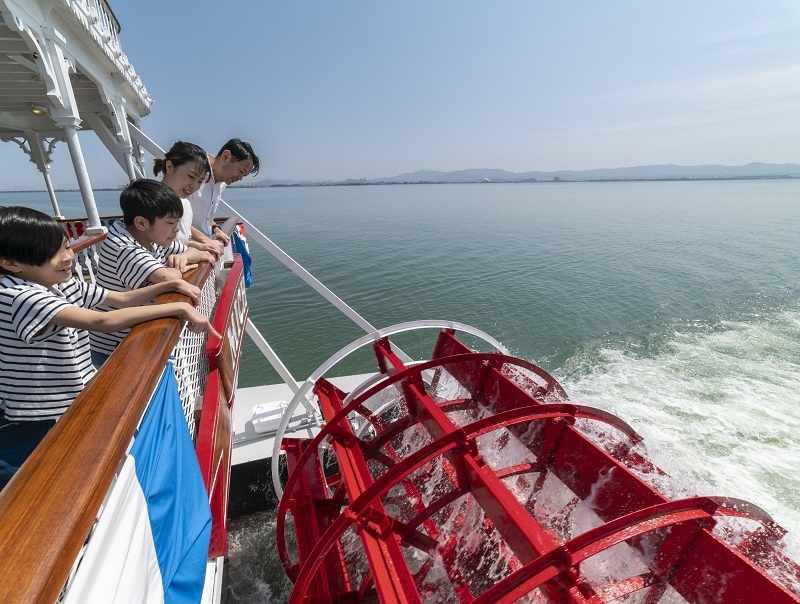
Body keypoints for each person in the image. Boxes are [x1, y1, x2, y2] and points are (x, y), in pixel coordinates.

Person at [0, 206, 220, 489]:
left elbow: (122, 299)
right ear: (11, 263)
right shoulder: (19, 295)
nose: (67, 257)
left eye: (66, 246)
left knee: (59, 477)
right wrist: (177, 307)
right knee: (25, 490)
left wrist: (169, 286)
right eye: (51, 253)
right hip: (30, 420)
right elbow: (102, 321)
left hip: (64, 406)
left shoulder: (58, 285)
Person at [90, 179, 216, 365]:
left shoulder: (148, 237)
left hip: (134, 333)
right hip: (116, 344)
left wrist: (183, 257)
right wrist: (176, 268)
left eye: (178, 222)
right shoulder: (125, 247)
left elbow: (195, 252)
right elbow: (167, 277)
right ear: (141, 223)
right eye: (171, 222)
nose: (177, 229)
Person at [153, 141, 224, 259]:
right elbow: (154, 247)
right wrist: (191, 254)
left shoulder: (185, 203)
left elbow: (180, 241)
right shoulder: (151, 203)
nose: (194, 186)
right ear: (169, 167)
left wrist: (200, 245)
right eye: (191, 176)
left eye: (200, 181)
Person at [188, 138, 260, 245]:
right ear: (225, 156)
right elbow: (173, 217)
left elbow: (204, 217)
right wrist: (207, 242)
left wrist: (215, 228)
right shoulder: (192, 171)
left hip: (206, 244)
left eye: (244, 175)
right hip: (185, 245)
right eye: (240, 171)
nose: (240, 178)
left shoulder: (222, 182)